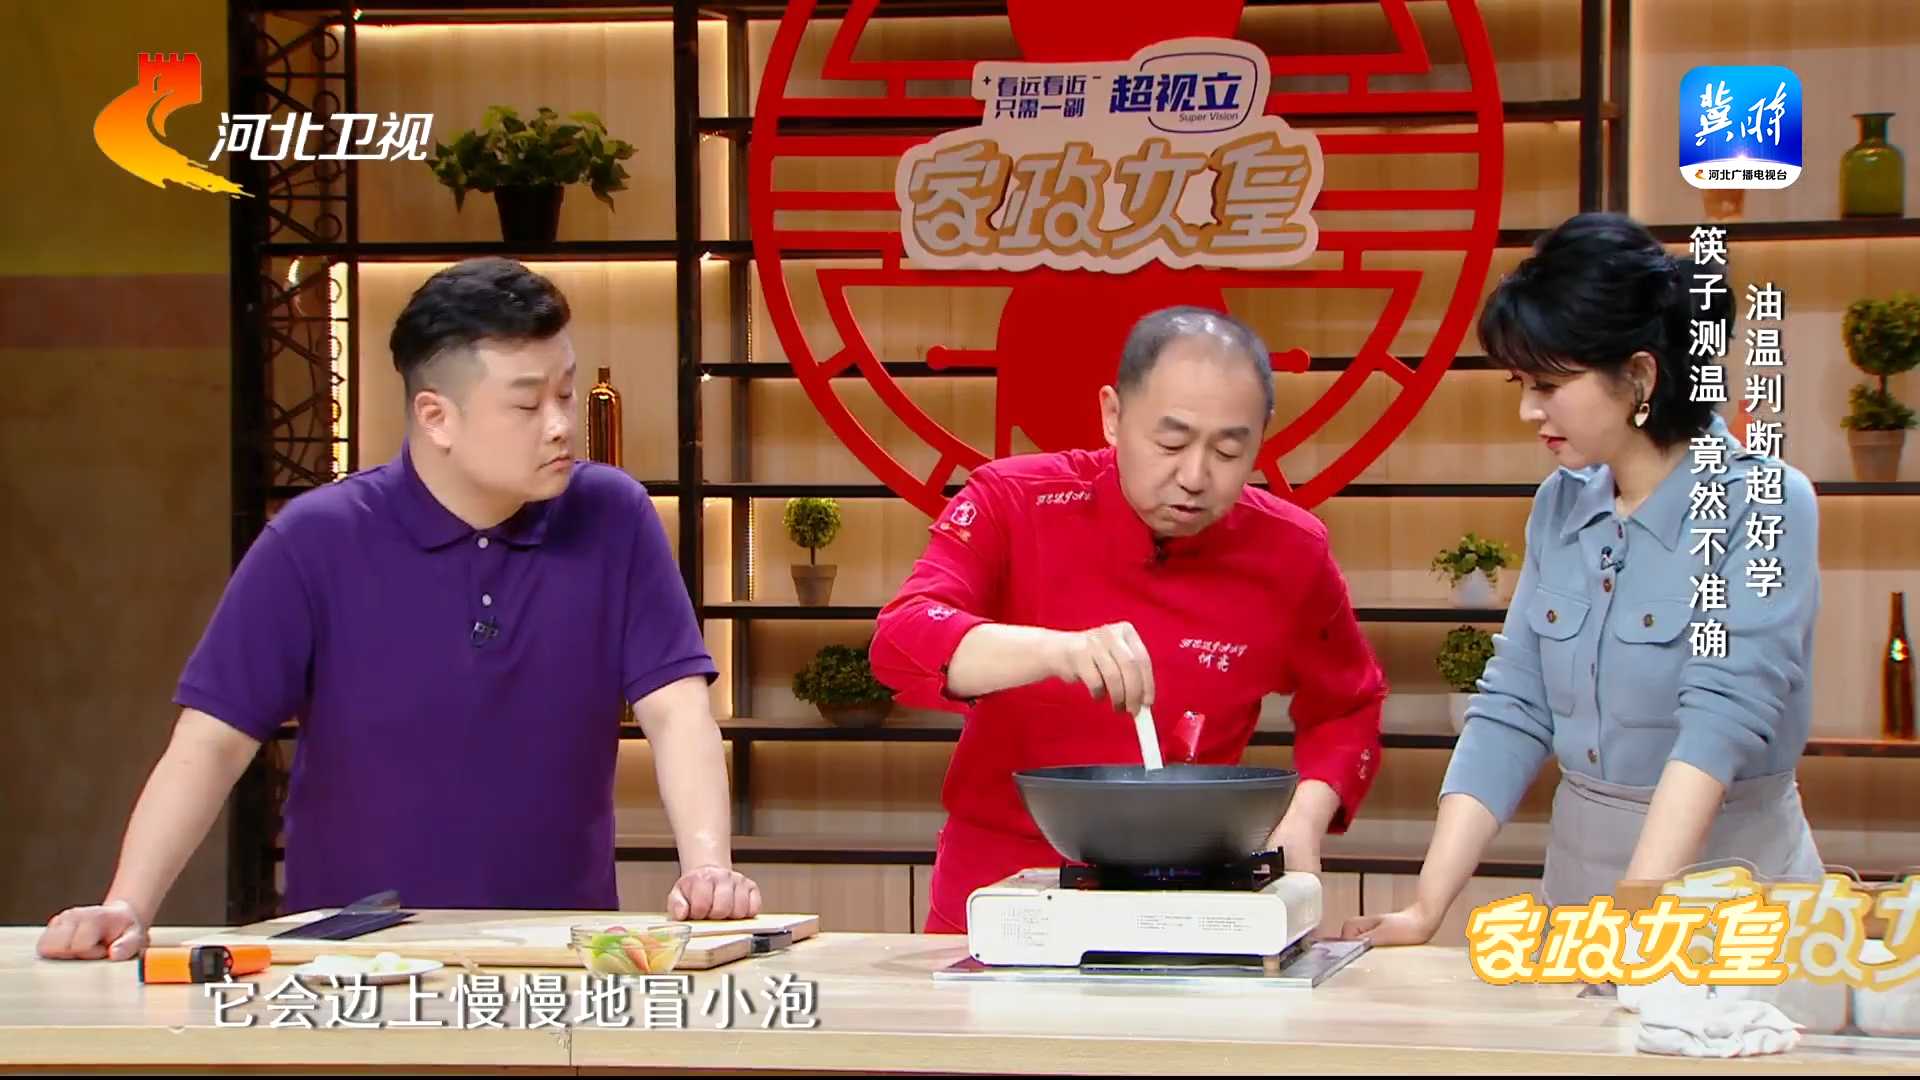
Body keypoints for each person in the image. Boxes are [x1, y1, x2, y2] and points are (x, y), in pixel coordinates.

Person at [38, 258, 761, 962]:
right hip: (349, 960)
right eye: (526, 404)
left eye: (566, 394)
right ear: (435, 416)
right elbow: (212, 743)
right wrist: (128, 903)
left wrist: (707, 867)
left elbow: (676, 711)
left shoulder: (613, 517)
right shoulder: (315, 539)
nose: (559, 426)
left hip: (561, 953)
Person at [1343, 212, 1825, 946]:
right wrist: (1425, 907)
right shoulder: (1561, 503)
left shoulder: (1764, 504)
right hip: (1579, 906)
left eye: (1548, 383)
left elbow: (1719, 725)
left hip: (1728, 904)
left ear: (1639, 376)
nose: (1527, 409)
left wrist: (1637, 919)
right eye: (1521, 382)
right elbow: (1514, 704)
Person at [870, 306, 1389, 935]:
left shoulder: (1291, 550)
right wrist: (1057, 651)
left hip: (1192, 888)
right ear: (1112, 416)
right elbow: (901, 637)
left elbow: (1347, 705)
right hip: (998, 883)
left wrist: (1304, 817)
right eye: (1170, 443)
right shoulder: (1014, 500)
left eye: (1229, 450)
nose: (1194, 477)